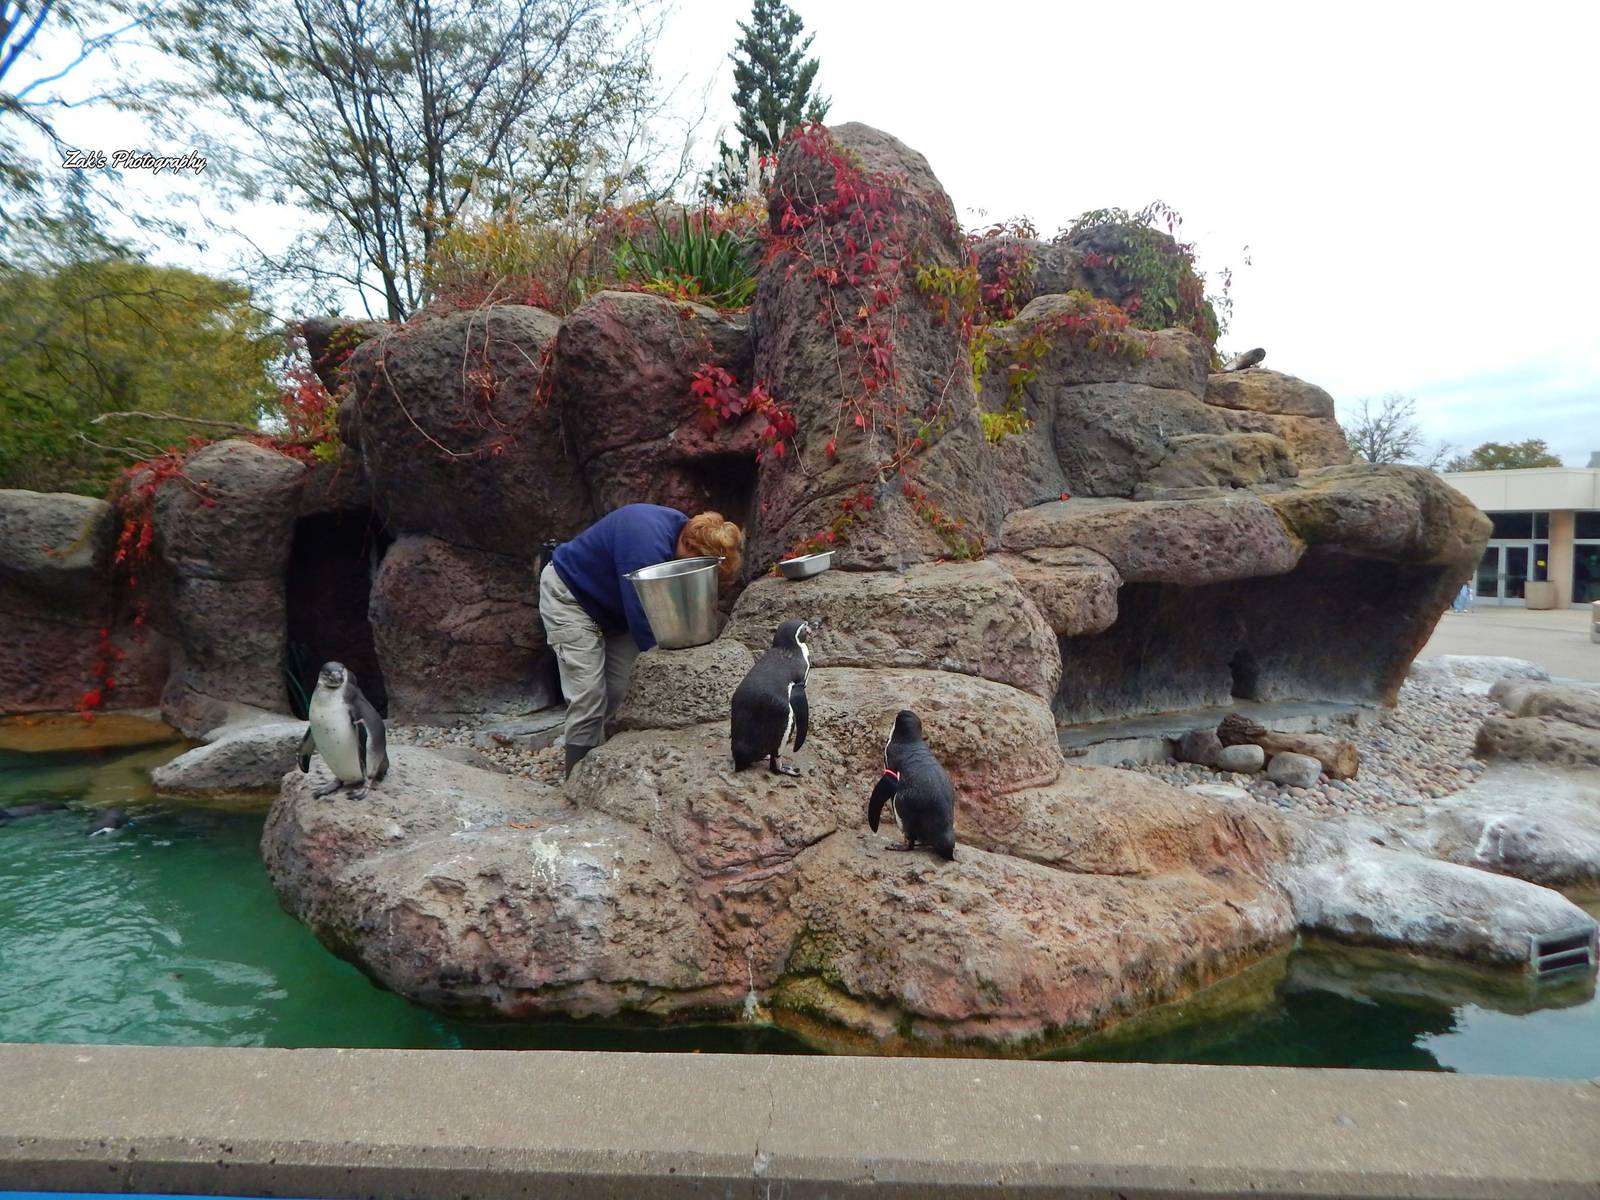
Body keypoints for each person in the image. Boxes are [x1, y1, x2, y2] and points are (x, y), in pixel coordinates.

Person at [539, 504, 744, 778]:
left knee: (623, 688)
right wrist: (670, 668)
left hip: (613, 609)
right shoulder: (643, 547)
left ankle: (603, 762)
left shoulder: (683, 532)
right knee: (588, 695)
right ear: (690, 548)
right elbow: (644, 620)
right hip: (570, 597)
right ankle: (576, 779)